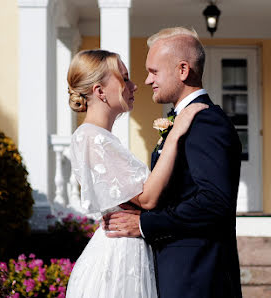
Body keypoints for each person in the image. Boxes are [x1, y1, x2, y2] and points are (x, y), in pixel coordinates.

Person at [104, 27, 243, 298]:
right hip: (178, 272)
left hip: (196, 277)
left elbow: (214, 202)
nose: (146, 81)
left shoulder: (206, 122)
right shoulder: (182, 120)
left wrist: (145, 224)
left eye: (154, 71)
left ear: (182, 70)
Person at [65, 49, 207, 297]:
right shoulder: (90, 138)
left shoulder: (103, 138)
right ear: (100, 91)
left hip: (131, 250)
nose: (135, 86)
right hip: (118, 258)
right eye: (124, 78)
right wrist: (175, 135)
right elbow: (146, 199)